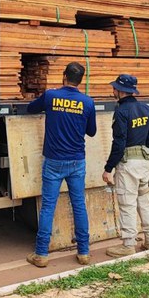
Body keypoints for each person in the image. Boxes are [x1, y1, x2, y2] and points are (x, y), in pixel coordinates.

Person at [25, 62, 97, 267]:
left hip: (54, 161)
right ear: (80, 80)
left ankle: (41, 254)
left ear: (64, 76)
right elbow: (91, 132)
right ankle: (83, 252)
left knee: (48, 206)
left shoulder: (50, 96)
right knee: (79, 205)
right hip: (76, 161)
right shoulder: (87, 102)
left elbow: (31, 108)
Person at [102, 74, 149, 257]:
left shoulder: (121, 112)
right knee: (144, 202)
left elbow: (119, 142)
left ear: (121, 91)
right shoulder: (146, 109)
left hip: (128, 165)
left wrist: (108, 168)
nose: (113, 91)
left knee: (127, 202)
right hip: (144, 162)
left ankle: (128, 245)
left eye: (114, 88)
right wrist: (143, 155)